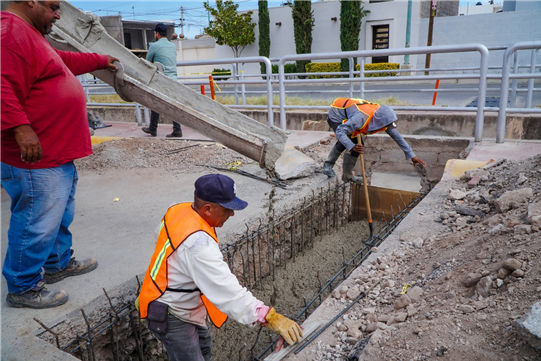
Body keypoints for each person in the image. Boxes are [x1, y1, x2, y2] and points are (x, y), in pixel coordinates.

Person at [1, 1, 119, 309]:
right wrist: (21, 128)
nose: (57, 15)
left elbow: (61, 61)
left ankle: (57, 264)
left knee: (57, 214)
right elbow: (1, 84)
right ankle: (23, 286)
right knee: (36, 221)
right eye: (54, 7)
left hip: (55, 152)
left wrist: (100, 60)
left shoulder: (31, 34)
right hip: (34, 157)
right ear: (31, 1)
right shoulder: (9, 31)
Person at [137, 174, 302, 360]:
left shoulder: (178, 210)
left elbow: (161, 241)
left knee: (204, 348)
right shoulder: (198, 246)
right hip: (172, 312)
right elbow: (228, 292)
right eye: (227, 209)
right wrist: (268, 317)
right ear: (207, 209)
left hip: (182, 302)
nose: (232, 214)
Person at [323, 98, 427, 183]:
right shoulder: (361, 118)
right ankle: (327, 166)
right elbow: (340, 131)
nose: (387, 127)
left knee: (358, 145)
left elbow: (397, 137)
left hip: (351, 115)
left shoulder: (383, 119)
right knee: (344, 142)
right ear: (380, 122)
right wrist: (351, 146)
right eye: (386, 125)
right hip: (337, 114)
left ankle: (347, 175)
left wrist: (412, 155)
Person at [141, 23, 182, 138]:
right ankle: (176, 129)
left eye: (155, 33)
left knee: (155, 102)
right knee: (172, 105)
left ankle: (153, 128)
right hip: (173, 79)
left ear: (157, 34)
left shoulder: (154, 46)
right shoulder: (172, 46)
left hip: (162, 79)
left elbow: (147, 62)